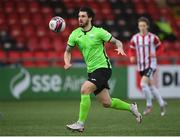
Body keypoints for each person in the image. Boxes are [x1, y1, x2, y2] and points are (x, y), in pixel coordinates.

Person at [64, 6, 142, 132]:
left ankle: (80, 123)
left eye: (83, 16)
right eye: (79, 16)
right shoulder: (75, 34)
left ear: (90, 18)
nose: (80, 19)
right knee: (107, 102)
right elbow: (67, 51)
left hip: (103, 68)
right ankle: (131, 107)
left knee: (84, 89)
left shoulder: (99, 32)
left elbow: (117, 41)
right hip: (92, 71)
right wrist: (67, 62)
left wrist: (120, 47)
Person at [128, 17, 167, 116]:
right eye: (140, 26)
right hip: (141, 66)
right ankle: (162, 103)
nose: (142, 27)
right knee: (151, 86)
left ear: (147, 26)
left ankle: (149, 105)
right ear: (138, 26)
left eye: (144, 26)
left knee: (143, 84)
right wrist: (132, 56)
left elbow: (161, 47)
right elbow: (131, 49)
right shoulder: (135, 38)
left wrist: (155, 54)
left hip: (151, 65)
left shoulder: (153, 37)